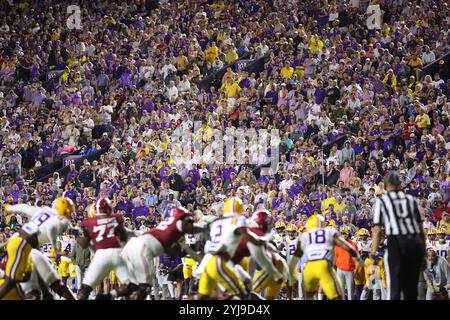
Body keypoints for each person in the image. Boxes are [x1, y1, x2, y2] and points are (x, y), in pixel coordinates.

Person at [121, 206, 204, 300]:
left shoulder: (167, 226)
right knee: (144, 288)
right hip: (141, 250)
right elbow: (179, 252)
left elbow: (179, 251)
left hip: (132, 247)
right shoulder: (176, 230)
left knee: (134, 286)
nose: (191, 224)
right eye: (189, 221)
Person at [0, 197, 75, 300]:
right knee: (12, 281)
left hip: (21, 242)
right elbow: (52, 228)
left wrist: (11, 207)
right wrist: (55, 246)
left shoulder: (45, 211)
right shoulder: (60, 221)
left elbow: (25, 208)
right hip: (23, 244)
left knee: (36, 290)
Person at [372, 171, 426, 300]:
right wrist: (423, 255)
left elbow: (377, 230)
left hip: (396, 242)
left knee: (394, 289)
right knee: (411, 291)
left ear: (385, 186)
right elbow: (420, 230)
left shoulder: (383, 201)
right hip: (414, 243)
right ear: (400, 185)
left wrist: (373, 253)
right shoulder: (411, 200)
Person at [288, 215, 363, 300]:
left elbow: (297, 254)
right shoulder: (328, 232)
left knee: (309, 295)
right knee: (337, 295)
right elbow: (346, 246)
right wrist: (358, 259)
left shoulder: (305, 235)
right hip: (323, 264)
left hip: (309, 267)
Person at [76, 197, 137, 300]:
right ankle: (109, 296)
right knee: (130, 286)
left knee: (84, 290)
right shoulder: (117, 217)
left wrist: (76, 236)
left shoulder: (88, 221)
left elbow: (84, 244)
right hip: (117, 253)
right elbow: (123, 237)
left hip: (101, 255)